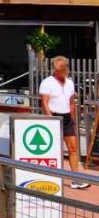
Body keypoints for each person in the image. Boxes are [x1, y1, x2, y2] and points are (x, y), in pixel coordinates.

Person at [40, 55, 89, 189]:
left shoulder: (70, 83)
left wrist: (73, 119)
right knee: (53, 149)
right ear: (55, 69)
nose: (65, 69)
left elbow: (71, 102)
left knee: (73, 148)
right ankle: (49, 177)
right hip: (54, 117)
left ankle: (76, 180)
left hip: (67, 118)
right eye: (61, 67)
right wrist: (51, 119)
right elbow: (44, 104)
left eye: (66, 66)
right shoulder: (47, 82)